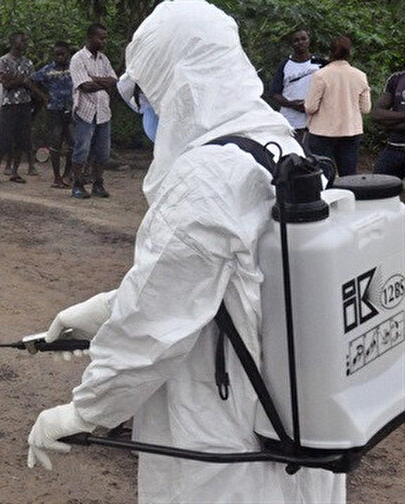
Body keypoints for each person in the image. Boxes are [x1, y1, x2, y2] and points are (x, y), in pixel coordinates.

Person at [26, 2, 345, 503]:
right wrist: (106, 310)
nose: (149, 111)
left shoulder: (205, 178)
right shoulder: (281, 146)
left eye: (149, 95)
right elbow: (222, 279)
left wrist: (85, 411)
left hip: (225, 432)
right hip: (292, 423)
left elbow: (155, 323)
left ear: (177, 85)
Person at [304, 36, 371, 177]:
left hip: (322, 132)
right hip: (350, 130)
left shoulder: (320, 75)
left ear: (331, 52)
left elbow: (310, 107)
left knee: (323, 174)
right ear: (349, 52)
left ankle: (328, 198)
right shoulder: (360, 76)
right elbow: (366, 108)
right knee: (349, 175)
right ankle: (349, 197)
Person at [69, 24, 117, 199]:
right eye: (100, 38)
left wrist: (93, 78)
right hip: (85, 111)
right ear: (90, 37)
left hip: (103, 112)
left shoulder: (104, 59)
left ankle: (98, 183)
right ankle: (78, 184)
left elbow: (114, 82)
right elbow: (85, 86)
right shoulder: (78, 59)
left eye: (105, 38)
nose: (104, 41)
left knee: (103, 151)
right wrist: (101, 82)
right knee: (81, 149)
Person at [0, 32, 37, 185]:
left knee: (22, 140)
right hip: (8, 104)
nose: (25, 42)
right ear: (13, 41)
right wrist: (22, 81)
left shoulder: (28, 62)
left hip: (24, 104)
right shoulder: (2, 61)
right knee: (3, 139)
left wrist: (16, 79)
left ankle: (14, 172)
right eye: (22, 40)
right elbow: (6, 83)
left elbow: (31, 84)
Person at [269, 29, 327, 146]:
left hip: (315, 121)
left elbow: (330, 88)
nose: (300, 42)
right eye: (296, 40)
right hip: (290, 121)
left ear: (309, 40)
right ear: (291, 44)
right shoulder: (285, 65)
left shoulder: (319, 63)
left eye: (303, 39)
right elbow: (274, 93)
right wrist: (292, 104)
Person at [32, 41, 75, 188]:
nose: (60, 57)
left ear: (68, 54)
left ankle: (68, 173)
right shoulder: (48, 70)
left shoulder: (74, 67)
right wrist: (43, 96)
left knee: (72, 142)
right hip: (54, 110)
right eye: (57, 54)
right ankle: (56, 176)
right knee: (56, 142)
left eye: (63, 54)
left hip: (72, 109)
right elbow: (30, 80)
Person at [371, 70, 405, 179]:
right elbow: (377, 114)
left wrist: (390, 125)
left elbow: (383, 117)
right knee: (376, 187)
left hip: (394, 136)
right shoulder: (396, 78)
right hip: (394, 148)